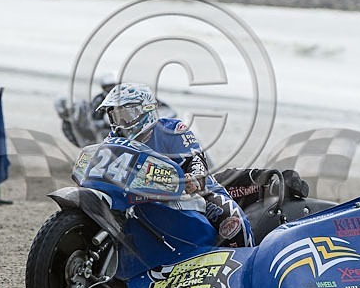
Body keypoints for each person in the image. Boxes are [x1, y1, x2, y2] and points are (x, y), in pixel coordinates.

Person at [97, 83, 254, 248]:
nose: (121, 123)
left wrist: (193, 178)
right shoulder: (113, 141)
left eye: (126, 115)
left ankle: (249, 261)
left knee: (232, 220)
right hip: (138, 198)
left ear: (146, 110)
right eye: (115, 116)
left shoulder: (172, 130)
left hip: (193, 194)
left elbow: (196, 158)